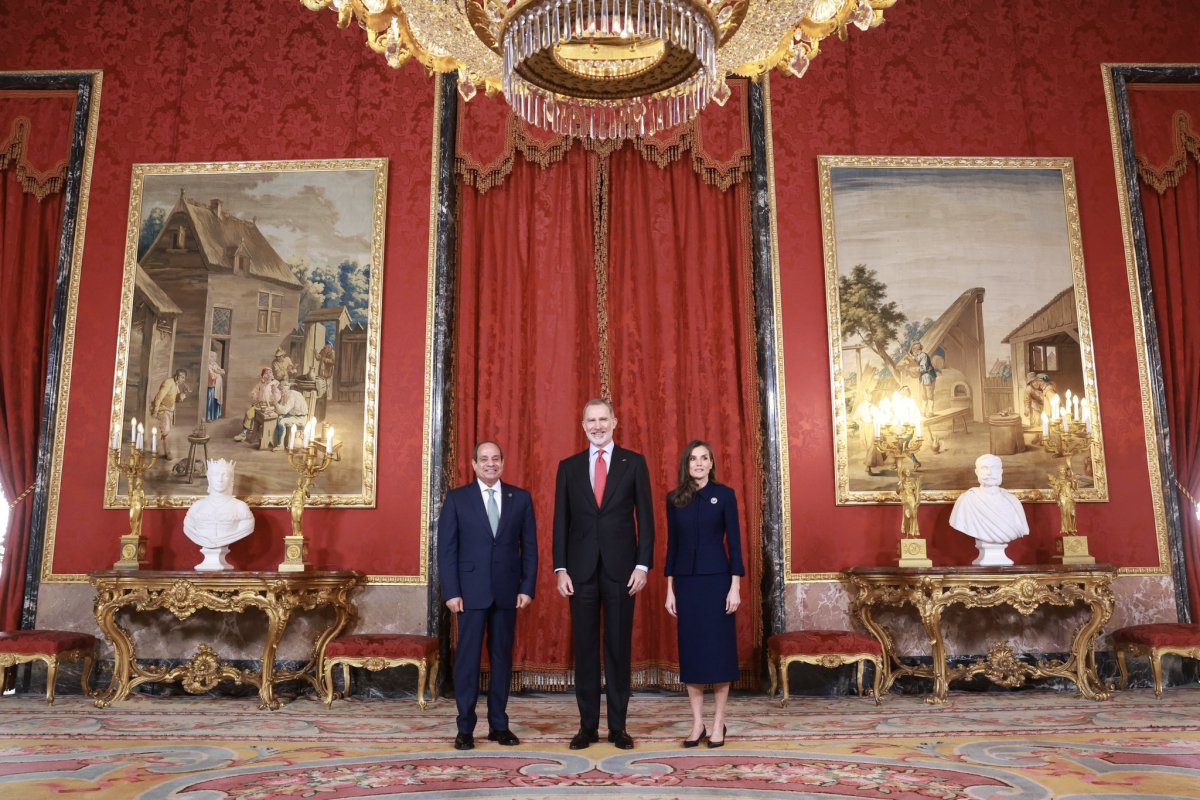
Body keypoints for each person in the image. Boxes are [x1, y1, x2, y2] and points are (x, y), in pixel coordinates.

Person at [553, 398, 654, 751]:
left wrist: (642, 566)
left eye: (603, 419)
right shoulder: (568, 467)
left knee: (617, 648)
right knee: (585, 650)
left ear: (615, 421)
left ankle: (618, 728)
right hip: (579, 573)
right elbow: (560, 523)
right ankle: (586, 728)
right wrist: (560, 568)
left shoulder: (634, 463)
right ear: (583, 426)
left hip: (622, 571)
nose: (597, 426)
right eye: (590, 421)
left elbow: (647, 519)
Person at [438, 441, 537, 751]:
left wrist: (527, 586)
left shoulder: (520, 498)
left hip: (508, 593)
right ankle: (465, 728)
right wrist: (451, 592)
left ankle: (499, 725)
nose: (490, 463)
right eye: (484, 459)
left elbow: (530, 548)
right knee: (467, 662)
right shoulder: (457, 499)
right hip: (469, 594)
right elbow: (446, 550)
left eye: (496, 458)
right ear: (473, 464)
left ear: (503, 463)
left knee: (501, 661)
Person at [663, 441, 743, 749]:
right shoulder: (675, 499)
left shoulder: (724, 496)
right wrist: (670, 590)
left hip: (717, 582)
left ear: (711, 463)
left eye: (704, 458)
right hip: (686, 584)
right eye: (693, 458)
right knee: (693, 653)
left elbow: (734, 545)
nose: (698, 463)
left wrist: (735, 586)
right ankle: (697, 723)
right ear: (687, 464)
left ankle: (719, 722)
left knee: (720, 653)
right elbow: (672, 547)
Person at [949, 454, 1029, 565]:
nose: (989, 473)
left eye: (994, 468)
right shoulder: (966, 500)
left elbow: (1021, 527)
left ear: (1001, 471)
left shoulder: (1013, 502)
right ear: (977, 472)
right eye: (984, 468)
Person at [182, 458, 254, 571]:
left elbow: (247, 527)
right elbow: (188, 526)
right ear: (209, 478)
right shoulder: (197, 507)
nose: (220, 479)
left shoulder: (240, 507)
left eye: (224, 475)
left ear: (231, 479)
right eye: (215, 475)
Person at [150, 369, 189, 460]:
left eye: (184, 378)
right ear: (177, 376)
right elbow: (159, 396)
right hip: (163, 410)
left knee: (165, 432)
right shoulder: (168, 382)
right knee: (166, 431)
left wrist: (183, 392)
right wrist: (155, 411)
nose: (183, 380)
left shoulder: (176, 385)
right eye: (182, 377)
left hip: (170, 412)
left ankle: (160, 450)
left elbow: (176, 399)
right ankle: (167, 452)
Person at [234, 369, 282, 442]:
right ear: (263, 376)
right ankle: (244, 434)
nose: (268, 375)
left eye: (270, 373)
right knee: (249, 413)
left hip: (270, 406)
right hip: (259, 404)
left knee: (262, 417)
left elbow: (278, 398)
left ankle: (261, 436)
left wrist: (274, 390)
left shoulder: (275, 384)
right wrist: (254, 394)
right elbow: (255, 391)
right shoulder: (261, 383)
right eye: (266, 373)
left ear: (272, 375)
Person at [271, 380, 309, 449]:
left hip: (301, 418)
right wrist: (275, 406)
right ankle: (276, 441)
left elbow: (284, 410)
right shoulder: (286, 394)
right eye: (279, 389)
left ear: (285, 389)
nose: (280, 391)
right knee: (279, 418)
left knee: (281, 422)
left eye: (281, 389)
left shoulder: (291, 395)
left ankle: (281, 445)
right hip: (293, 415)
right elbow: (282, 407)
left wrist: (276, 404)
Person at [1049, 463, 1078, 534]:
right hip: (1063, 498)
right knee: (1065, 514)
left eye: (1064, 470)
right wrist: (1058, 500)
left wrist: (1073, 479)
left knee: (1072, 514)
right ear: (1059, 471)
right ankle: (1067, 529)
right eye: (1061, 470)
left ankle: (1073, 528)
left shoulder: (1069, 480)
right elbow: (1056, 492)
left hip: (1070, 498)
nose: (1063, 471)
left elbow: (1074, 488)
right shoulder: (1058, 481)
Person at [910, 342, 937, 417]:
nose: (913, 352)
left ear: (918, 349)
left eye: (914, 350)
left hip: (928, 376)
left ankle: (931, 412)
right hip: (922, 377)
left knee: (929, 395)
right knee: (923, 395)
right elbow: (916, 362)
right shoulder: (918, 356)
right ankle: (923, 411)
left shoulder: (924, 356)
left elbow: (923, 368)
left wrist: (914, 369)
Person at [205, 350, 225, 421]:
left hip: (217, 386)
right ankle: (209, 417)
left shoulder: (215, 364)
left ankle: (214, 416)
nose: (214, 358)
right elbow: (212, 377)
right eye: (212, 357)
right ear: (209, 357)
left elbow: (223, 371)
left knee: (215, 402)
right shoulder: (208, 366)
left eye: (215, 357)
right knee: (211, 402)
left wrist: (217, 371)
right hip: (211, 386)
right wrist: (217, 372)